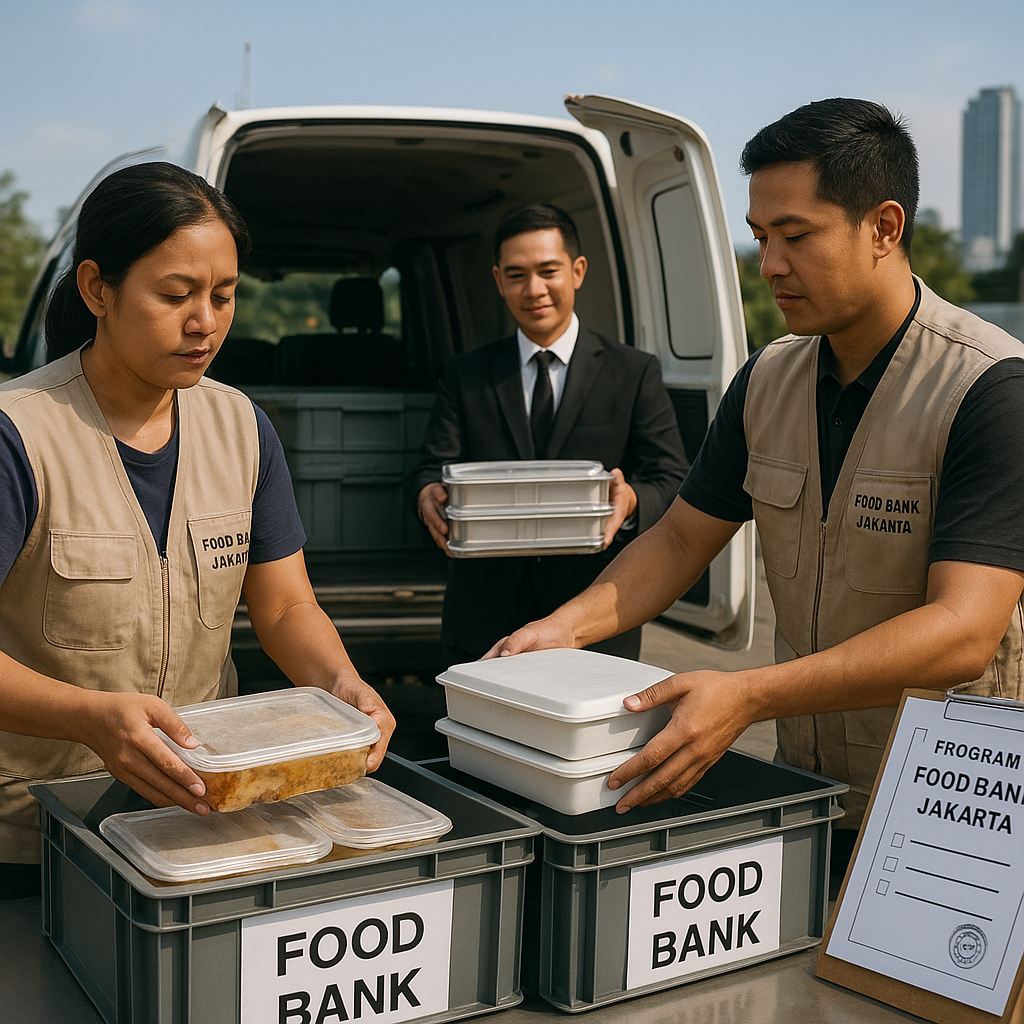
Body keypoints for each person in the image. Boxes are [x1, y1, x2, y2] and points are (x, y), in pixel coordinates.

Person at [489, 99, 1024, 863]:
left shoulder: (989, 389)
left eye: (797, 236)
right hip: (808, 793)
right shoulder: (769, 378)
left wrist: (747, 694)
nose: (770, 264)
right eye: (761, 237)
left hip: (952, 813)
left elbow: (964, 632)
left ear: (884, 227)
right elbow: (679, 538)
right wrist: (564, 628)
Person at [0, 163, 395, 898]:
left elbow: (284, 606)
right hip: (36, 832)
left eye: (224, 295)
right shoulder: (19, 436)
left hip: (204, 821)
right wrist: (93, 721)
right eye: (176, 295)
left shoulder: (242, 427)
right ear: (97, 289)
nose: (205, 322)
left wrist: (339, 683)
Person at [408, 204, 688, 663]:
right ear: (498, 281)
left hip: (594, 615)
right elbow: (428, 468)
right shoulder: (466, 373)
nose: (534, 289)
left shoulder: (634, 371)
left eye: (548, 271)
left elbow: (672, 479)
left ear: (577, 271)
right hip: (484, 617)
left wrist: (632, 499)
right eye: (516, 275)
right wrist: (425, 495)